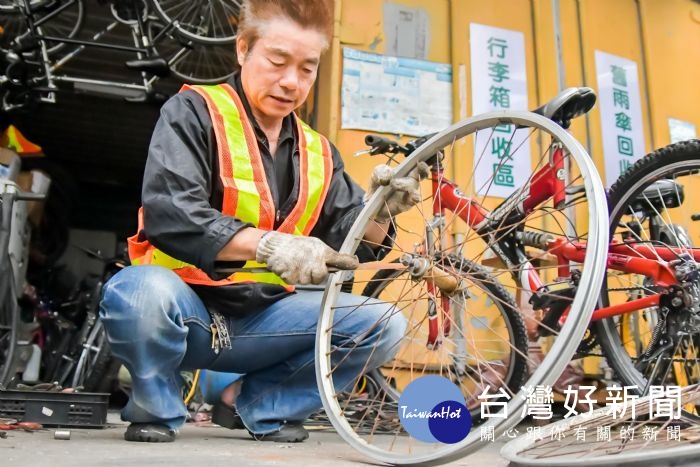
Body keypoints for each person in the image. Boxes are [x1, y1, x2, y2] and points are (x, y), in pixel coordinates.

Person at [100, 0, 424, 444]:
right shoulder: (194, 113)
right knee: (136, 292)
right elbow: (171, 212)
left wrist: (382, 210)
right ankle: (157, 405)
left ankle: (255, 404)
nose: (291, 81)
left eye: (307, 68)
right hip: (184, 310)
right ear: (242, 49)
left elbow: (351, 239)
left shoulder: (319, 152)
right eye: (277, 61)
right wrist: (268, 246)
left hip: (266, 321)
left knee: (383, 322)